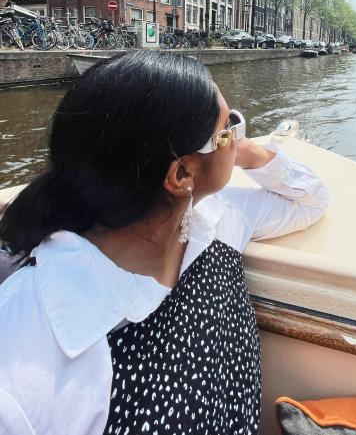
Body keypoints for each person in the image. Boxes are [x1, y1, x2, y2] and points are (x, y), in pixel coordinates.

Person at [0, 51, 329, 435]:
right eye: (228, 130)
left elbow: (311, 199)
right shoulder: (27, 353)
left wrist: (245, 151)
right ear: (183, 173)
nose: (237, 135)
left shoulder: (219, 218)